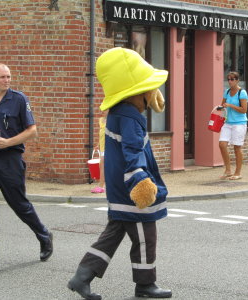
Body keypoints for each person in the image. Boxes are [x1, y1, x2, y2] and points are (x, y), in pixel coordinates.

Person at [67, 47, 172, 299]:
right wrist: (140, 179)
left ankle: (81, 277)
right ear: (135, 92)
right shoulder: (131, 117)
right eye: (148, 89)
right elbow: (133, 151)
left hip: (118, 188)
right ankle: (145, 285)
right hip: (131, 192)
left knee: (112, 235)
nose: (152, 93)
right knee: (146, 238)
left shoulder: (118, 113)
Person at [0, 63, 53, 273]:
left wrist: (9, 142)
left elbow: (32, 131)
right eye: (3, 77)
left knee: (19, 205)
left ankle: (44, 235)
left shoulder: (19, 99)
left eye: (9, 76)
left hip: (11, 160)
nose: (7, 80)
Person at [212, 71, 248, 180]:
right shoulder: (226, 92)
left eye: (232, 79)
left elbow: (244, 110)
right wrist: (220, 109)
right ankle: (228, 170)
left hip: (239, 124)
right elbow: (223, 105)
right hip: (227, 123)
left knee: (237, 147)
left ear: (237, 80)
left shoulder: (242, 93)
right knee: (222, 144)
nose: (230, 81)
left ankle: (238, 173)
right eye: (228, 79)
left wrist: (230, 105)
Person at [91, 110, 108, 193]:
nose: (102, 111)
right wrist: (98, 145)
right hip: (102, 148)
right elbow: (101, 134)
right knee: (102, 165)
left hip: (108, 148)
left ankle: (101, 186)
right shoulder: (101, 120)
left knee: (102, 166)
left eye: (105, 109)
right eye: (101, 109)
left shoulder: (111, 121)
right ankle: (102, 185)